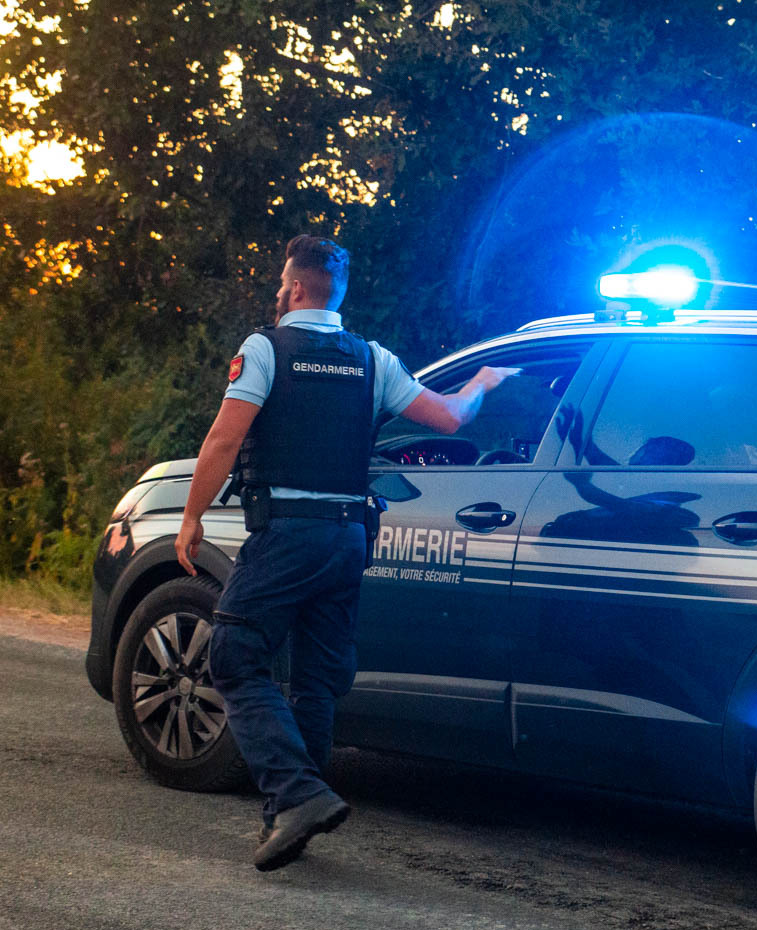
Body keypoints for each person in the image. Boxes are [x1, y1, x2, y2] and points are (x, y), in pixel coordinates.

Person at [173, 235, 515, 871]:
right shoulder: (371, 359)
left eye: (282, 283)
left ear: (297, 288)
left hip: (288, 534)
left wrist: (192, 516)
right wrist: (482, 381)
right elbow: (450, 418)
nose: (277, 292)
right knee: (317, 682)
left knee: (234, 656)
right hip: (347, 540)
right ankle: (290, 819)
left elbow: (224, 438)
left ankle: (297, 792)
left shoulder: (265, 349)